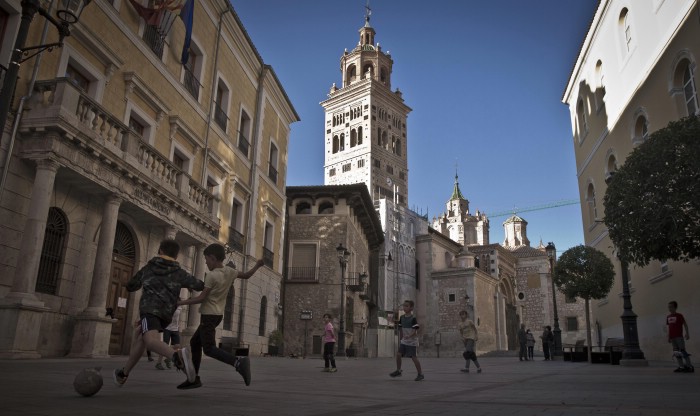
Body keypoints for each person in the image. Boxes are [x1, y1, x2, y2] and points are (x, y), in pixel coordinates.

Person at [113, 239, 204, 387]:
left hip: (149, 310)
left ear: (160, 250)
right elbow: (199, 285)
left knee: (150, 341)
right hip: (166, 314)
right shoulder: (179, 273)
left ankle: (177, 356)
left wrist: (127, 284)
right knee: (143, 339)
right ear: (176, 256)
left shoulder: (149, 268)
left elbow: (131, 285)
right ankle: (123, 373)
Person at [177, 243, 265, 389]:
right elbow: (247, 275)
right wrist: (257, 265)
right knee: (195, 343)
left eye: (206, 260)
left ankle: (238, 362)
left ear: (213, 258)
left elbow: (201, 298)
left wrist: (181, 303)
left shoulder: (212, 275)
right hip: (217, 315)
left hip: (209, 315)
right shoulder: (230, 271)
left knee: (209, 349)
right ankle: (194, 378)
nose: (206, 262)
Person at [389, 300, 424, 381]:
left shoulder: (413, 319)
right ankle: (398, 371)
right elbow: (401, 329)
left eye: (407, 306)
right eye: (404, 306)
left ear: (411, 308)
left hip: (412, 341)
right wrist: (402, 338)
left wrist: (409, 336)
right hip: (404, 341)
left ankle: (420, 374)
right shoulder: (402, 318)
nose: (404, 307)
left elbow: (415, 331)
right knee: (398, 354)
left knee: (414, 358)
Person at [667, 301, 694, 373]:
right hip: (672, 337)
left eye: (671, 307)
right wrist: (669, 337)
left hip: (679, 337)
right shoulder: (668, 317)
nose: (670, 308)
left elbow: (685, 324)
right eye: (669, 307)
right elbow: (669, 327)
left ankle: (689, 366)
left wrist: (687, 333)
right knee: (676, 352)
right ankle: (681, 367)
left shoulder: (679, 315)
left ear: (675, 307)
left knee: (682, 351)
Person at [156, 305, 182, 370]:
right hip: (167, 328)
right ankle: (158, 363)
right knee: (165, 345)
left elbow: (178, 318)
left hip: (175, 329)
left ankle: (168, 359)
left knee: (177, 346)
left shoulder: (180, 307)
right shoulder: (168, 306)